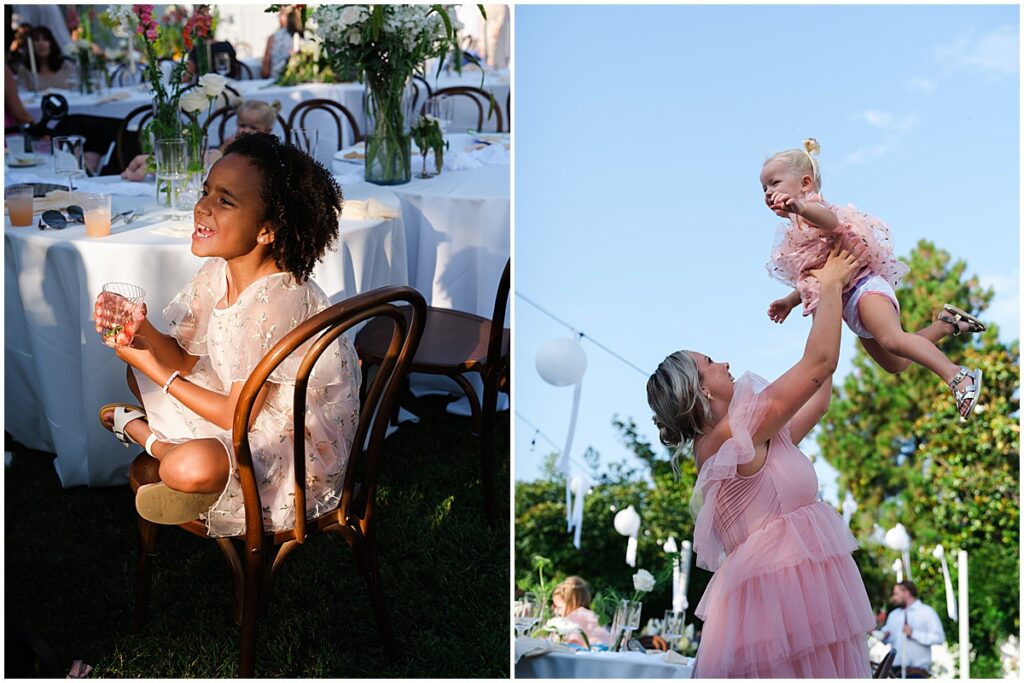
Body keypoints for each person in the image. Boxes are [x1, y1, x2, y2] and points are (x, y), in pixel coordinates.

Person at [94, 133, 358, 534]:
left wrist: (158, 370)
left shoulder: (277, 299)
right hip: (243, 410)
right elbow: (183, 358)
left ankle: (152, 440)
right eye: (206, 192)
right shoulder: (218, 271)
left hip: (287, 443)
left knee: (187, 463)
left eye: (225, 201)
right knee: (137, 371)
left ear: (267, 230)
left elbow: (240, 417)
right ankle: (190, 468)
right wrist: (138, 327)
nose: (202, 207)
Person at [647, 244, 875, 677]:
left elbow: (820, 388)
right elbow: (819, 361)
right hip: (780, 605)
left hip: (799, 596)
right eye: (711, 362)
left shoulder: (754, 436)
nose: (725, 363)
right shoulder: (732, 435)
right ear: (703, 390)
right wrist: (829, 285)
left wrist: (824, 302)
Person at [761, 138, 985, 420]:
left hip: (863, 288)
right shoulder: (796, 231)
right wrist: (790, 301)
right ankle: (945, 325)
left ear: (805, 183)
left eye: (775, 183)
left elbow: (831, 221)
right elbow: (813, 275)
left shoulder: (813, 209)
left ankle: (958, 377)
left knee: (892, 339)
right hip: (848, 306)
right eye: (764, 188)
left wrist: (801, 208)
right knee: (896, 362)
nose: (769, 192)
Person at [121, 99, 281, 181]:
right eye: (242, 125)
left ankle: (132, 174)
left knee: (157, 165)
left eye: (253, 128)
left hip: (206, 169)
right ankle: (129, 172)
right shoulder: (233, 141)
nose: (245, 130)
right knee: (148, 160)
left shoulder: (266, 150)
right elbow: (218, 156)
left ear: (267, 130)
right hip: (203, 164)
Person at [880, 581, 946, 678]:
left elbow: (939, 638)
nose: (894, 597)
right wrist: (884, 635)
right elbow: (886, 638)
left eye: (896, 594)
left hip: (917, 673)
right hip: (894, 673)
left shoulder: (927, 612)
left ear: (907, 592)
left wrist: (913, 633)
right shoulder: (893, 615)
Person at [550, 576, 611, 647]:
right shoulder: (590, 615)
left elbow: (572, 643)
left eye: (558, 606)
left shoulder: (577, 617)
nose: (555, 610)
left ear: (572, 602)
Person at [14, 26, 74, 91]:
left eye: (45, 39)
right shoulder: (24, 70)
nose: (41, 43)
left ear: (51, 43)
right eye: (36, 40)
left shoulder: (66, 66)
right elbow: (22, 93)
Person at [262, 5, 301, 80]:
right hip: (297, 78)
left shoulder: (273, 38)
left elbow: (265, 66)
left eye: (280, 14)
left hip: (276, 79)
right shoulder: (303, 36)